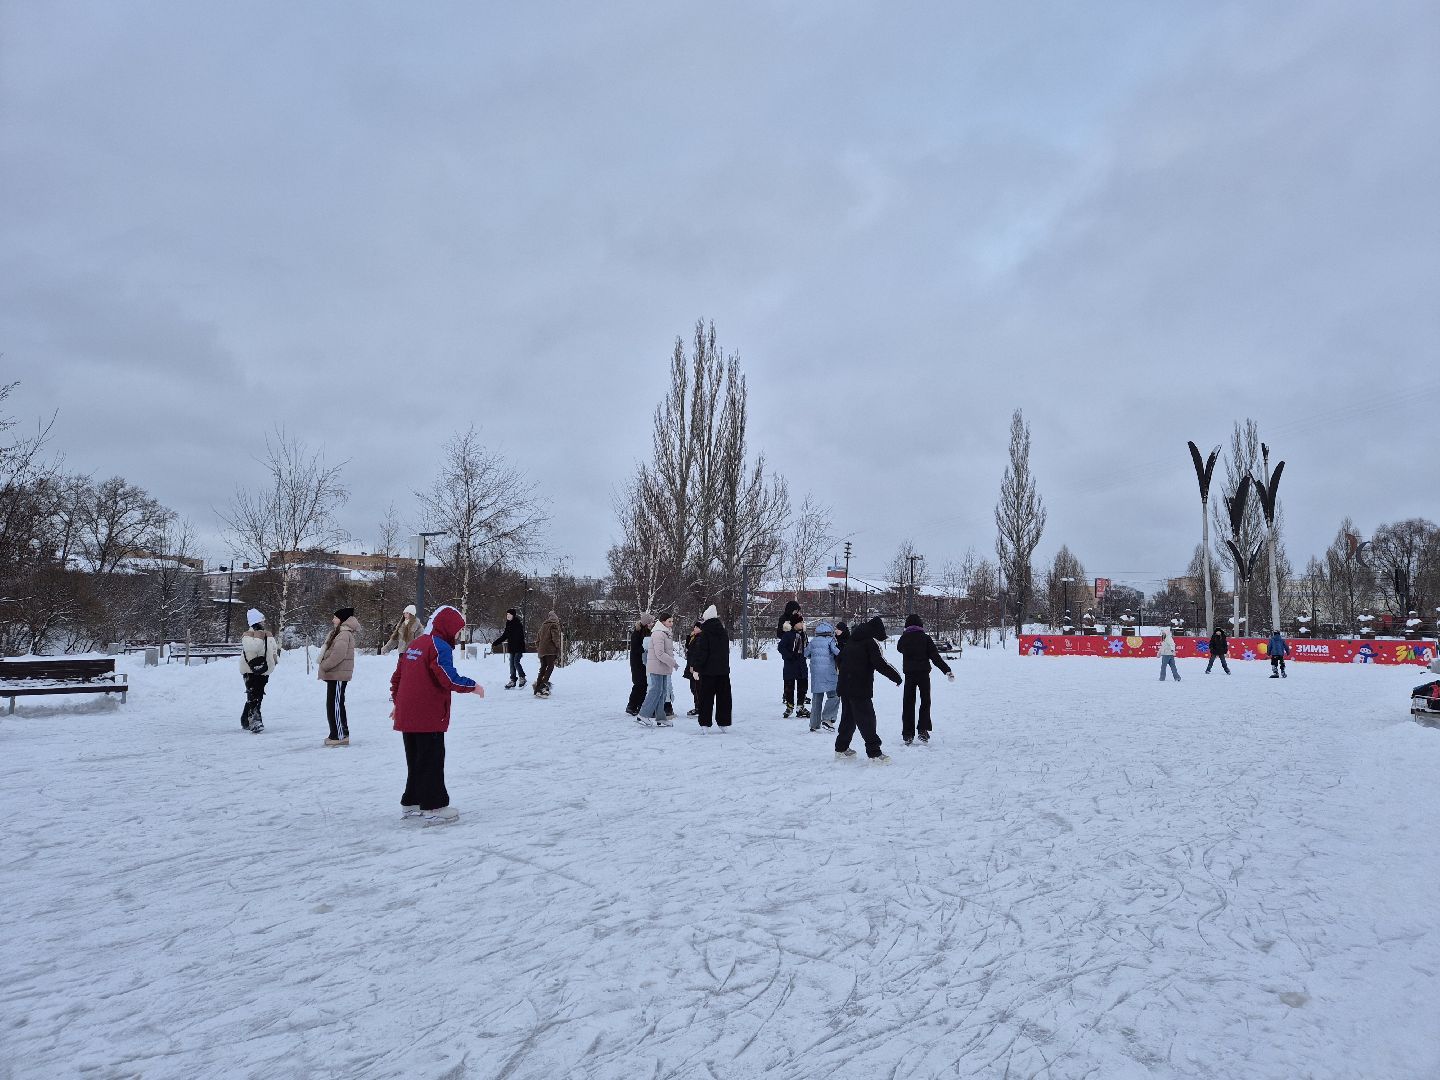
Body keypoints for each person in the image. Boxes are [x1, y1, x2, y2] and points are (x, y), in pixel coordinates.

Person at [390, 604, 482, 826]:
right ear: (448, 627)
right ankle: (434, 806)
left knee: (416, 760)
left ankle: (411, 803)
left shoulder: (416, 643)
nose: (459, 634)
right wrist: (473, 686)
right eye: (458, 630)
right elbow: (447, 677)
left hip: (408, 714)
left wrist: (398, 703)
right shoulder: (439, 646)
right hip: (428, 715)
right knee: (431, 760)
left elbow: (397, 678)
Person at [835, 616, 901, 763]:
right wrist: (896, 677)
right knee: (867, 719)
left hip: (845, 685)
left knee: (849, 718)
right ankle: (875, 753)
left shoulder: (852, 639)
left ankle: (841, 748)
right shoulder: (870, 642)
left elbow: (839, 659)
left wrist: (846, 673)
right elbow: (881, 664)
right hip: (859, 687)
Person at [895, 613, 954, 745]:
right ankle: (923, 730)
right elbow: (935, 657)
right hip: (923, 674)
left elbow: (899, 649)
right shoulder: (925, 638)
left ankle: (908, 734)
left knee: (908, 703)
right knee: (925, 701)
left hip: (909, 674)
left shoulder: (904, 638)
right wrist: (946, 670)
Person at [318, 607, 361, 745]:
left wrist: (324, 665)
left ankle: (338, 736)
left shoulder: (343, 634)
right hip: (335, 674)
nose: (333, 620)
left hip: (337, 674)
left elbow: (338, 655)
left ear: (342, 619)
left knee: (334, 704)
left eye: (335, 617)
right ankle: (340, 733)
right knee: (335, 703)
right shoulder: (339, 632)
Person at [689, 604, 732, 730]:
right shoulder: (723, 632)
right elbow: (725, 652)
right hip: (723, 671)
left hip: (708, 672)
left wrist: (696, 667)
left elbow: (702, 653)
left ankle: (705, 723)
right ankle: (723, 723)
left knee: (706, 699)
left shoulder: (705, 633)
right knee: (723, 698)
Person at [239, 607, 279, 734]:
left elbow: (273, 647)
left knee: (258, 694)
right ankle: (255, 721)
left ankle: (245, 719)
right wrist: (259, 635)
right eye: (261, 620)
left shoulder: (266, 634)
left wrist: (274, 658)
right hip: (250, 669)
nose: (263, 623)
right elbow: (254, 647)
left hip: (264, 669)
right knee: (254, 695)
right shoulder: (248, 635)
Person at [636, 612, 678, 727]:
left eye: (672, 621)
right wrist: (673, 663)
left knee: (663, 692)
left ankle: (661, 717)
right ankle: (643, 714)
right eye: (669, 621)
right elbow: (659, 653)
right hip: (657, 667)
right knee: (655, 690)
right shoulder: (658, 633)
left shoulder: (665, 633)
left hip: (663, 666)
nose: (671, 623)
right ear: (663, 622)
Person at [804, 620, 841, 732]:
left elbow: (806, 654)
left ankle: (813, 724)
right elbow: (837, 652)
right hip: (828, 672)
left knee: (816, 699)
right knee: (834, 695)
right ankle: (827, 718)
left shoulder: (813, 641)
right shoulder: (831, 640)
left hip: (816, 674)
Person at [778, 614, 810, 718]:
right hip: (790, 665)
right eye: (800, 622)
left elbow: (806, 647)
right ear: (794, 624)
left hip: (801, 665)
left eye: (802, 622)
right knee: (789, 687)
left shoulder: (804, 635)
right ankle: (789, 706)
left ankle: (800, 706)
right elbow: (781, 647)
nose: (802, 624)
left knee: (802, 686)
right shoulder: (788, 635)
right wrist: (789, 656)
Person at [625, 613, 655, 715]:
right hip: (637, 662)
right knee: (639, 684)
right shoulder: (637, 633)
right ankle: (631, 706)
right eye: (651, 622)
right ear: (646, 623)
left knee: (644, 684)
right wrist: (644, 648)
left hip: (644, 662)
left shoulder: (647, 632)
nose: (652, 624)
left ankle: (639, 705)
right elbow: (635, 649)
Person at [491, 608, 527, 689]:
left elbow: (520, 637)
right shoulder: (508, 624)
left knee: (516, 662)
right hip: (512, 648)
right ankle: (513, 681)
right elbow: (504, 636)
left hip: (518, 647)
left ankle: (522, 678)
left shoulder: (517, 624)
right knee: (511, 664)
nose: (508, 616)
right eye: (507, 614)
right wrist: (496, 642)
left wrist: (517, 644)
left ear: (513, 615)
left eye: (509, 614)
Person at [533, 610, 562, 697]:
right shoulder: (554, 625)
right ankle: (543, 685)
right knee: (550, 667)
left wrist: (540, 648)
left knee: (543, 668)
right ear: (556, 619)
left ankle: (537, 687)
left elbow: (537, 640)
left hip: (542, 650)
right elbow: (555, 639)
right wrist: (558, 648)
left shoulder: (543, 626)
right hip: (550, 650)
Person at [682, 620, 704, 717]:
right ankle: (699, 707)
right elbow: (689, 648)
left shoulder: (700, 638)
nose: (694, 629)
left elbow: (696, 654)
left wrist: (693, 666)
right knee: (694, 688)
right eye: (694, 627)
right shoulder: (695, 637)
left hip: (695, 668)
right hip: (692, 666)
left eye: (696, 627)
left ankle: (699, 708)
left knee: (696, 688)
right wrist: (689, 637)